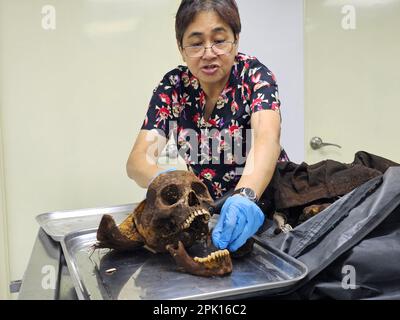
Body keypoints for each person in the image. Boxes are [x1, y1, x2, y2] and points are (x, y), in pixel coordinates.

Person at [126, 0, 289, 253]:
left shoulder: (254, 76)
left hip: (267, 210)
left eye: (220, 40)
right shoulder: (174, 87)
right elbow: (137, 161)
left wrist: (245, 197)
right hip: (210, 216)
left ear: (236, 40)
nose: (209, 52)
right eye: (196, 42)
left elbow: (267, 138)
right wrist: (167, 182)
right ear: (181, 48)